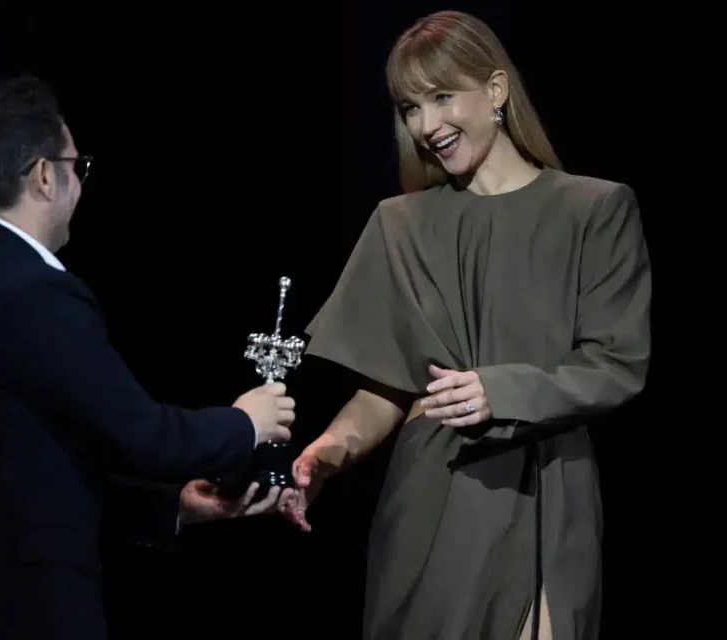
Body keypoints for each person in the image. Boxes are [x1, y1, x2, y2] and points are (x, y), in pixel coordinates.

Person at [279, 10, 651, 640]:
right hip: (433, 498)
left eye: (441, 97)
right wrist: (327, 454)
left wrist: (499, 391)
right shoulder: (399, 225)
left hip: (545, 488)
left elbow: (615, 366)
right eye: (409, 108)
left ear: (497, 90)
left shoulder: (594, 210)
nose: (426, 126)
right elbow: (388, 390)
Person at [0, 74, 296, 640]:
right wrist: (247, 423)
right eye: (77, 169)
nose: (81, 187)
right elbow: (146, 435)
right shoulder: (31, 292)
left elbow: (25, 469)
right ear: (42, 176)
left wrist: (173, 507)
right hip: (20, 611)